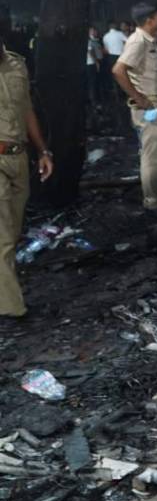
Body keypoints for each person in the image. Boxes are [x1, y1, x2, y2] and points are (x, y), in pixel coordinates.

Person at [0, 35, 53, 319]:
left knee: (13, 230)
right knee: (3, 237)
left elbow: (27, 109)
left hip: (19, 157)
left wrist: (43, 150)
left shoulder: (17, 64)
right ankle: (12, 309)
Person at [112, 3, 157, 218]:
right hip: (149, 107)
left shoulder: (150, 40)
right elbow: (118, 70)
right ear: (149, 20)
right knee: (153, 157)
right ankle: (153, 203)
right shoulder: (137, 41)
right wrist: (139, 98)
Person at [86, 26, 104, 107]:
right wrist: (96, 62)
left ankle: (96, 99)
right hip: (91, 64)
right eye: (92, 31)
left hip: (93, 63)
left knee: (95, 82)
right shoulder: (89, 41)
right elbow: (90, 51)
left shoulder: (95, 40)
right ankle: (94, 102)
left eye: (94, 30)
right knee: (92, 83)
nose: (94, 32)